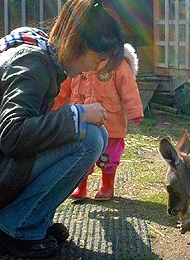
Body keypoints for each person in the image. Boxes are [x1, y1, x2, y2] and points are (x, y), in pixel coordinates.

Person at [0, 0, 125, 257]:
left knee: (94, 133)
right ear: (78, 42)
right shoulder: (31, 61)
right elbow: (13, 135)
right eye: (98, 59)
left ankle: (31, 219)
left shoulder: (41, 55)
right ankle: (15, 228)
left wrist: (75, 117)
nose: (96, 67)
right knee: (89, 137)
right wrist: (76, 113)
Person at [55, 43, 143, 201]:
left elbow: (128, 88)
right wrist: (53, 105)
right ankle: (80, 186)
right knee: (80, 153)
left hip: (111, 121)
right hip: (81, 119)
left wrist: (134, 112)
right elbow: (64, 88)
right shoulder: (77, 62)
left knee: (109, 155)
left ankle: (107, 186)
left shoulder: (116, 63)